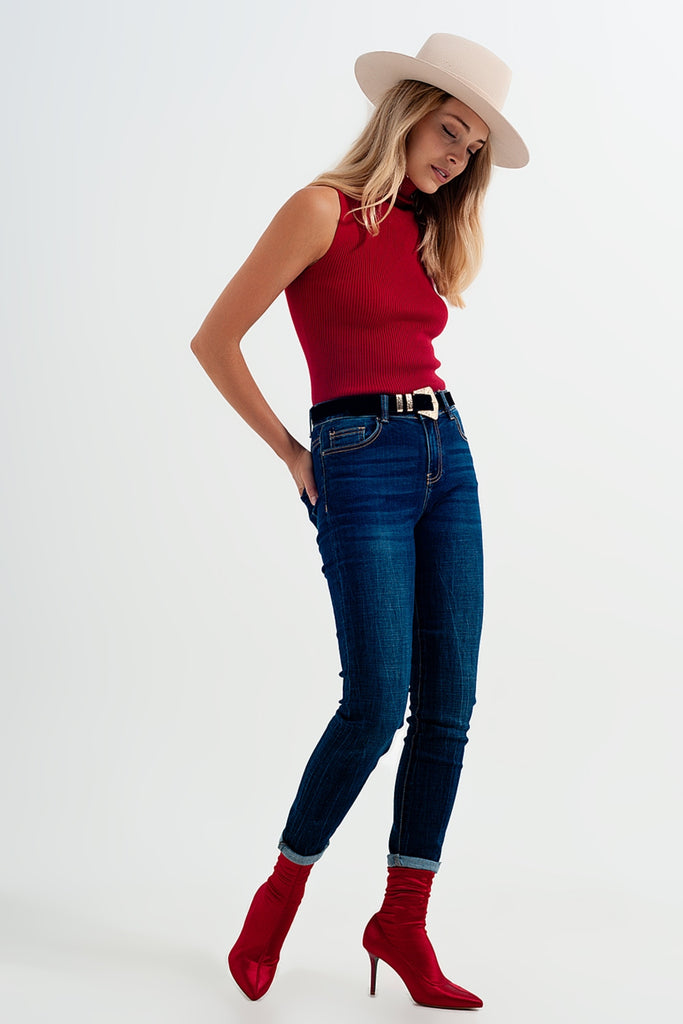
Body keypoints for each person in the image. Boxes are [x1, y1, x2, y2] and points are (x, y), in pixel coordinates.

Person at [190, 32, 528, 1010]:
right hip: (355, 459)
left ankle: (402, 921)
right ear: (406, 112)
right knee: (375, 704)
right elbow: (215, 340)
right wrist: (291, 454)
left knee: (448, 705)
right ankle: (279, 897)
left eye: (471, 149)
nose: (456, 157)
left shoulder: (425, 229)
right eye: (449, 131)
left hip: (445, 453)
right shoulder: (319, 210)